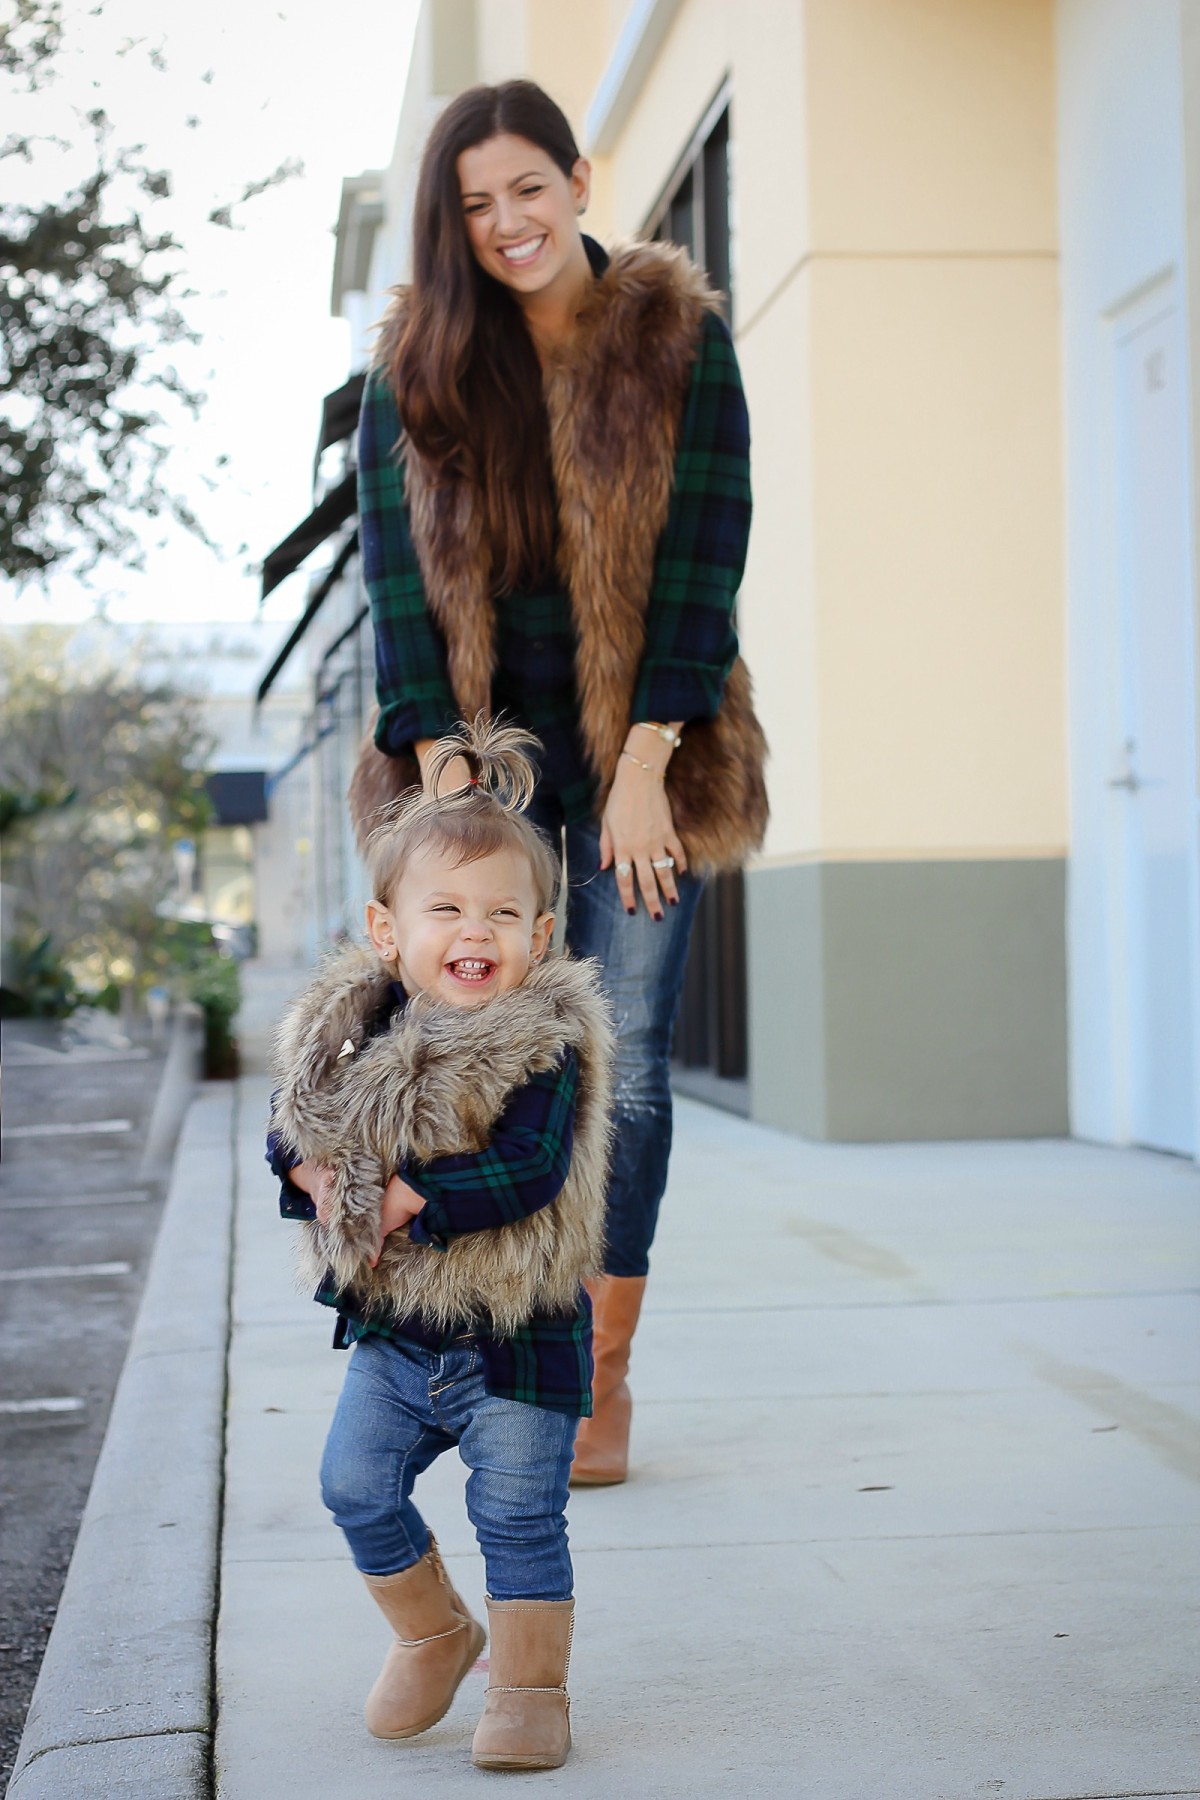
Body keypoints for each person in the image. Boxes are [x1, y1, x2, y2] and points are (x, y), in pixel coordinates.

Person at [349, 79, 767, 1488]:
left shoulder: (676, 338)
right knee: (488, 1056)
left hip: (647, 746)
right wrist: (441, 764)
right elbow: (393, 581)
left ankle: (599, 1371)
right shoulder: (417, 361)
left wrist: (650, 758)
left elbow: (708, 560)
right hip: (482, 762)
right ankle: (483, 1351)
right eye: (475, 205)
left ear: (580, 179)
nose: (507, 223)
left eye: (528, 188)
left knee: (631, 1064)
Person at [267, 720, 614, 1773]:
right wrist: (309, 1172)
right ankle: (431, 1632)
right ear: (387, 931)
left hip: (518, 1339)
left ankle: (528, 1687)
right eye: (447, 910)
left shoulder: (544, 1045)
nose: (478, 931)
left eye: (503, 912)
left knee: (516, 1517)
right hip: (398, 1337)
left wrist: (414, 1194)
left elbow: (530, 1171)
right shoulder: (354, 1036)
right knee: (353, 1485)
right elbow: (296, 1123)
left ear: (541, 935)